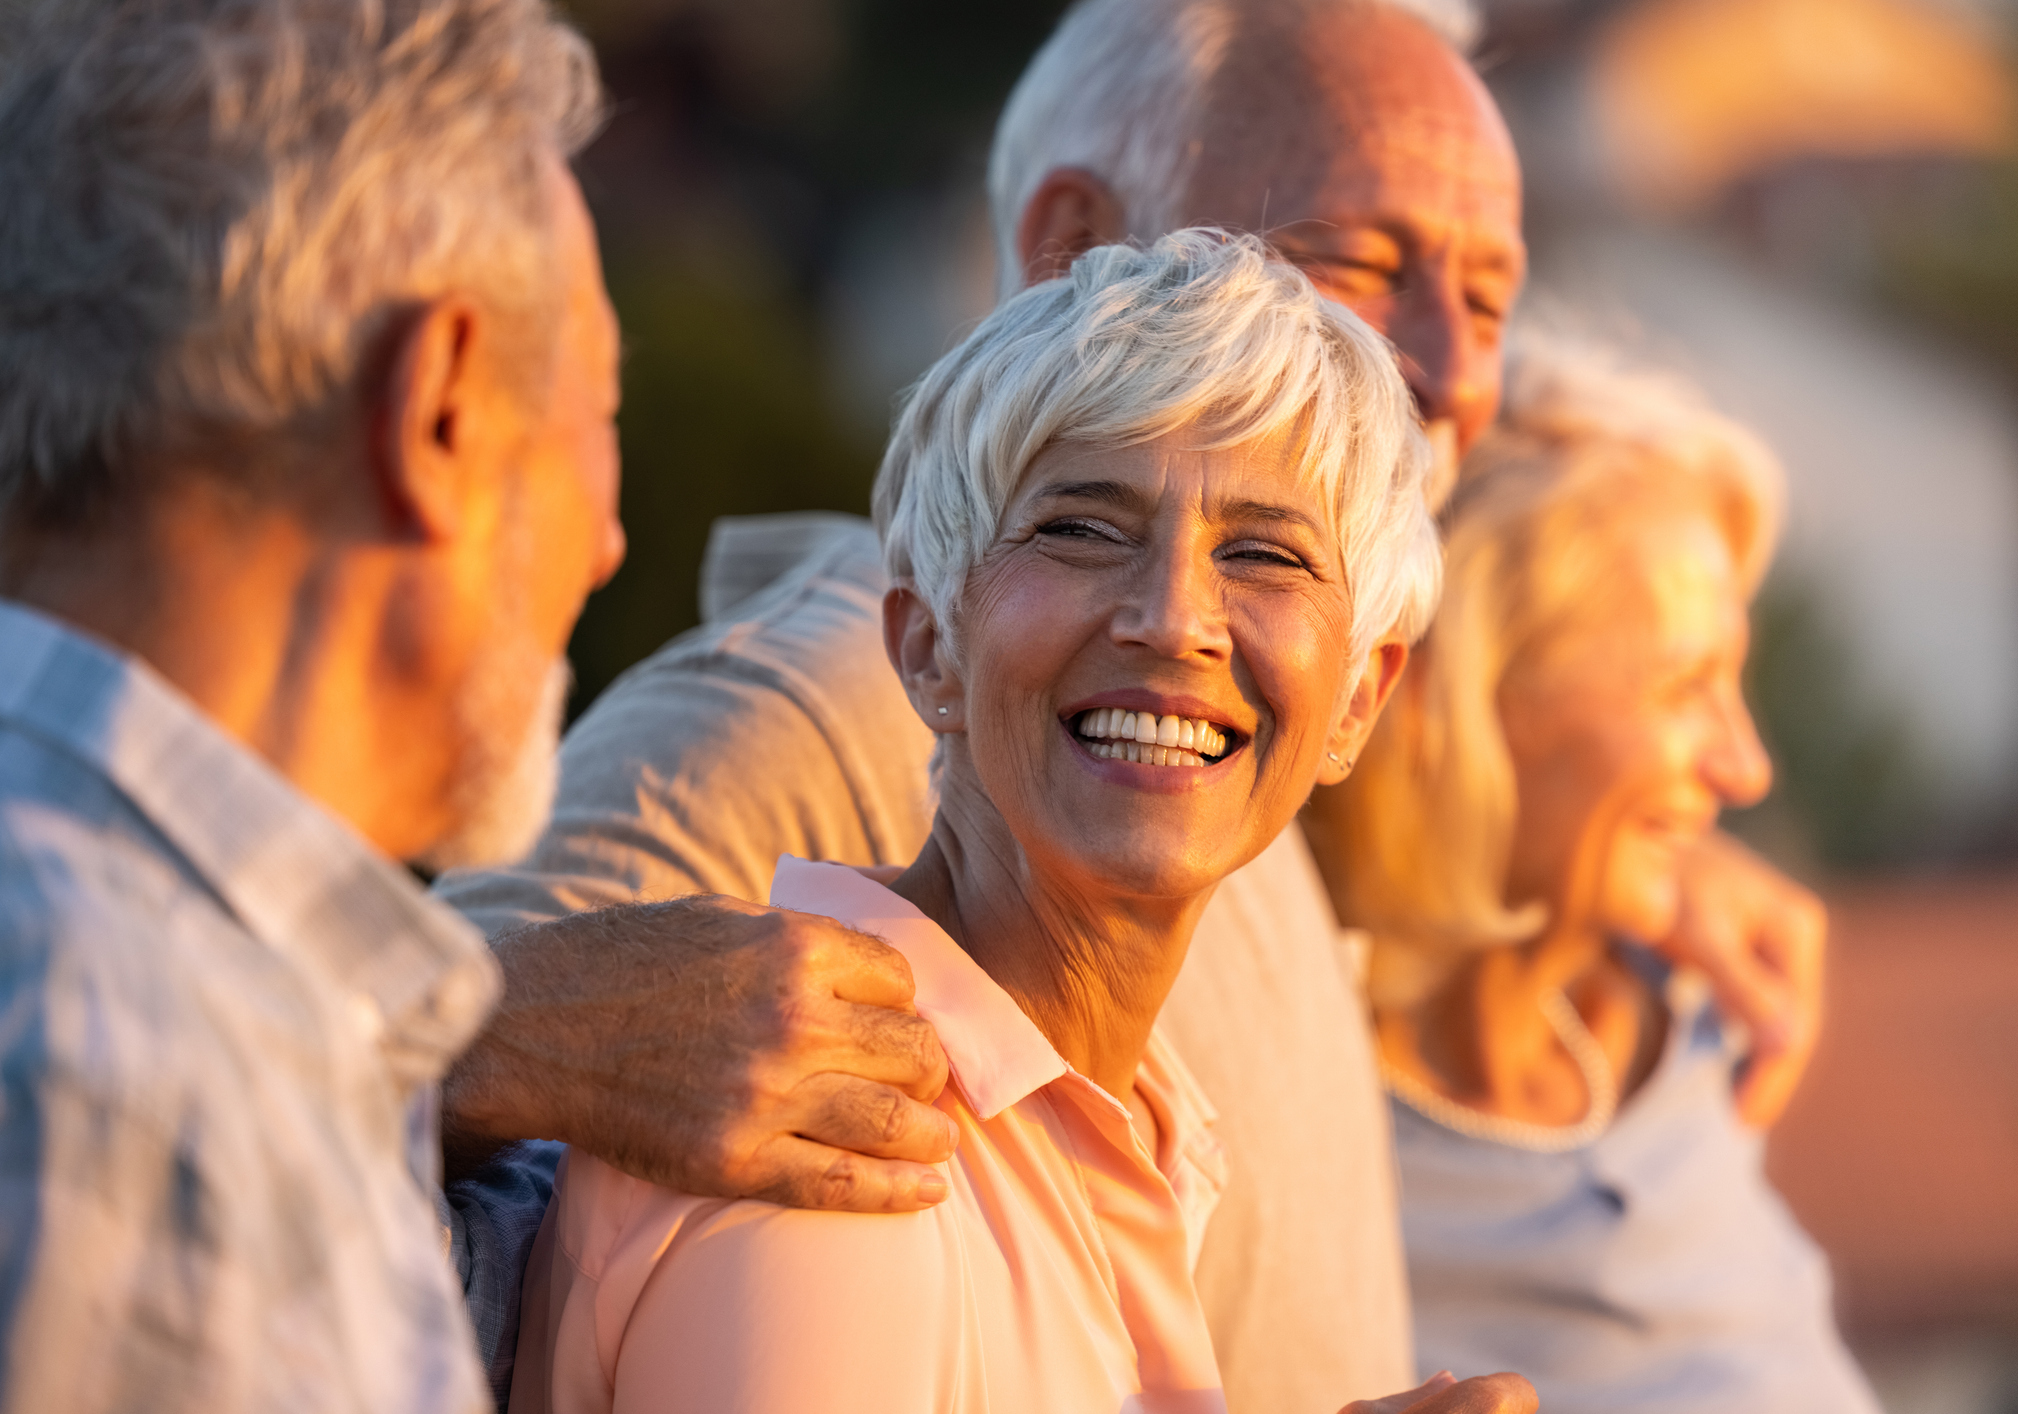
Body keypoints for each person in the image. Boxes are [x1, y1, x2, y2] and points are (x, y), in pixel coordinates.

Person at [439, 1, 1827, 1408]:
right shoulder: (805, 756)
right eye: (1361, 262)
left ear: (1360, 694)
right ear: (1075, 252)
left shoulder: (1170, 904)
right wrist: (502, 1025)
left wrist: (1633, 836)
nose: (1463, 369)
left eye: (1484, 296)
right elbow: (381, 1156)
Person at [510, 229, 1529, 1414]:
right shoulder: (840, 1143)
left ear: (1358, 694)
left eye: (1262, 553)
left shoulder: (1120, 1116)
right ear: (927, 642)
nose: (1172, 619)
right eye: (1081, 529)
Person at [0, 0, 643, 1404]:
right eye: (597, 417)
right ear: (441, 409)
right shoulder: (116, 1062)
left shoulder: (190, 1007)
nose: (610, 542)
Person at [1303, 343, 1879, 1412]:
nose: (1743, 767)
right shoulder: (1291, 1125)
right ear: (1445, 705)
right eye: (1682, 686)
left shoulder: (1685, 1016)